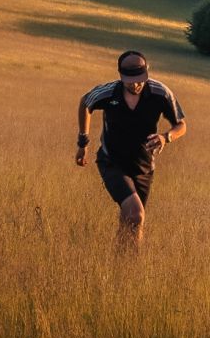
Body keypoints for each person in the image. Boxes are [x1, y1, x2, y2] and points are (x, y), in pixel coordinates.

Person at [75, 50, 187, 250]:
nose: (135, 85)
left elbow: (181, 125)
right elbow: (86, 102)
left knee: (133, 221)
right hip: (112, 162)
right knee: (136, 213)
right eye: (130, 81)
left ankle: (124, 263)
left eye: (140, 80)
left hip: (144, 167)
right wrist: (83, 142)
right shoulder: (109, 93)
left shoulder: (160, 93)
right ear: (120, 75)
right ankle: (127, 259)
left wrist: (165, 137)